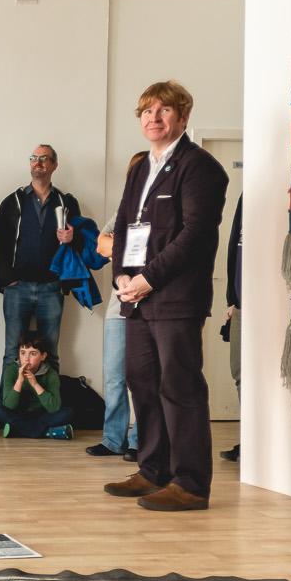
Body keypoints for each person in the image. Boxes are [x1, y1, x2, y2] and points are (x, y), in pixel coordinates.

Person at [102, 81, 228, 512]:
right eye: (146, 111)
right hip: (135, 296)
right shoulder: (141, 168)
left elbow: (194, 235)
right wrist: (122, 275)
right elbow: (123, 225)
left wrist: (148, 278)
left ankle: (191, 484)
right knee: (143, 384)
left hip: (174, 297)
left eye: (163, 110)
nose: (153, 117)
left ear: (184, 116)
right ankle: (153, 471)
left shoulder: (201, 167)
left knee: (180, 388)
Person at [0, 143, 81, 367]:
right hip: (16, 288)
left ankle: (48, 402)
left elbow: (82, 244)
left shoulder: (67, 202)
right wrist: (7, 278)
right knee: (13, 352)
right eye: (34, 157)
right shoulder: (12, 201)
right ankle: (8, 403)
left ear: (54, 165)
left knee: (50, 353)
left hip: (51, 287)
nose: (37, 162)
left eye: (43, 158)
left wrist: (73, 238)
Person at [89, 202, 142, 461]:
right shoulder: (125, 210)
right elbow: (101, 245)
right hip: (118, 304)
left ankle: (139, 442)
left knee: (142, 378)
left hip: (150, 302)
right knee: (112, 375)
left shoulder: (163, 206)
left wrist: (118, 247)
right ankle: (113, 439)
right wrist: (122, 249)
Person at [0, 331, 74, 440]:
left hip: (42, 415)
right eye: (23, 353)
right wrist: (20, 381)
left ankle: (19, 430)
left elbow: (54, 408)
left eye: (33, 354)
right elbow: (9, 406)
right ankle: (45, 432)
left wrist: (35, 384)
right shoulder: (11, 371)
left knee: (67, 413)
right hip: (19, 414)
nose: (26, 359)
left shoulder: (51, 374)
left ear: (43, 356)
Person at [222, 194, 242, 464]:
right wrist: (231, 299)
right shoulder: (245, 196)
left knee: (258, 377)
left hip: (265, 304)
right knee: (239, 372)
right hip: (240, 304)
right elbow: (233, 248)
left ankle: (257, 439)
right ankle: (247, 437)